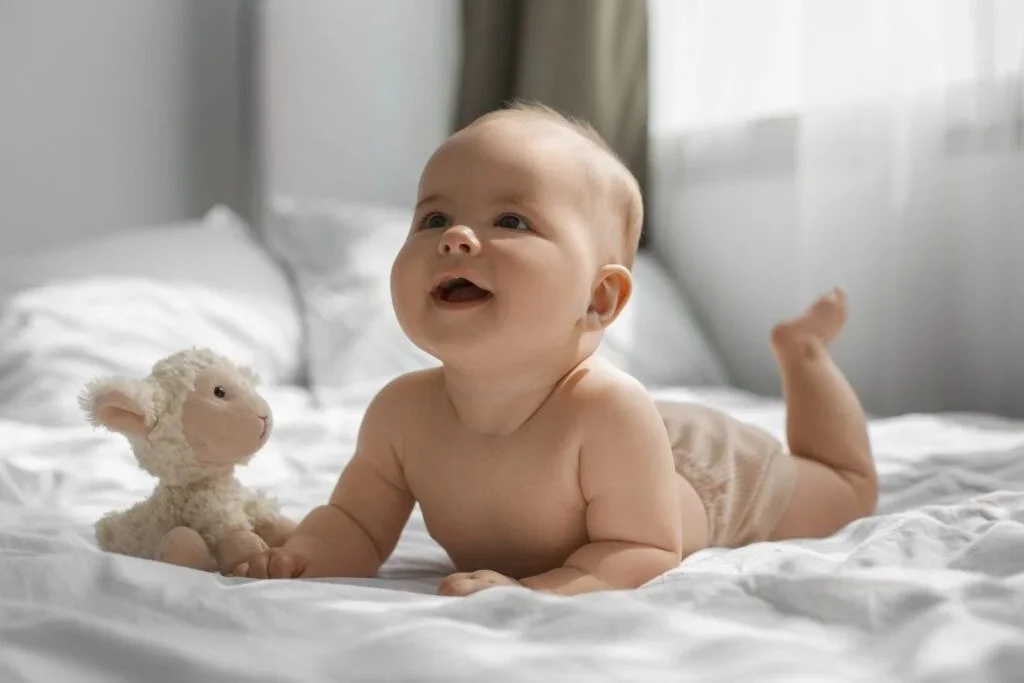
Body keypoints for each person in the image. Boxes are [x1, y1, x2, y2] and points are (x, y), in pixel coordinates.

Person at [233, 102, 878, 596]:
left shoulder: (607, 412)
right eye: (432, 218)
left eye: (511, 221)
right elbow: (358, 524)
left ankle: (805, 355)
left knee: (847, 491)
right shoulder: (401, 415)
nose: (455, 236)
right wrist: (303, 554)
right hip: (637, 455)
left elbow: (644, 550)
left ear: (599, 300)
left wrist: (543, 590)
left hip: (708, 478)